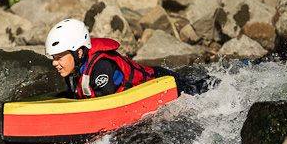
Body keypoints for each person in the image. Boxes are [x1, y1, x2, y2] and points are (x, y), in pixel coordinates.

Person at [45, 18, 211, 99]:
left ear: (79, 53)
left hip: (164, 81)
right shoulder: (75, 68)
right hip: (158, 78)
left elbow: (105, 105)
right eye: (53, 57)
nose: (54, 63)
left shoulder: (101, 67)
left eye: (59, 57)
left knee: (207, 90)